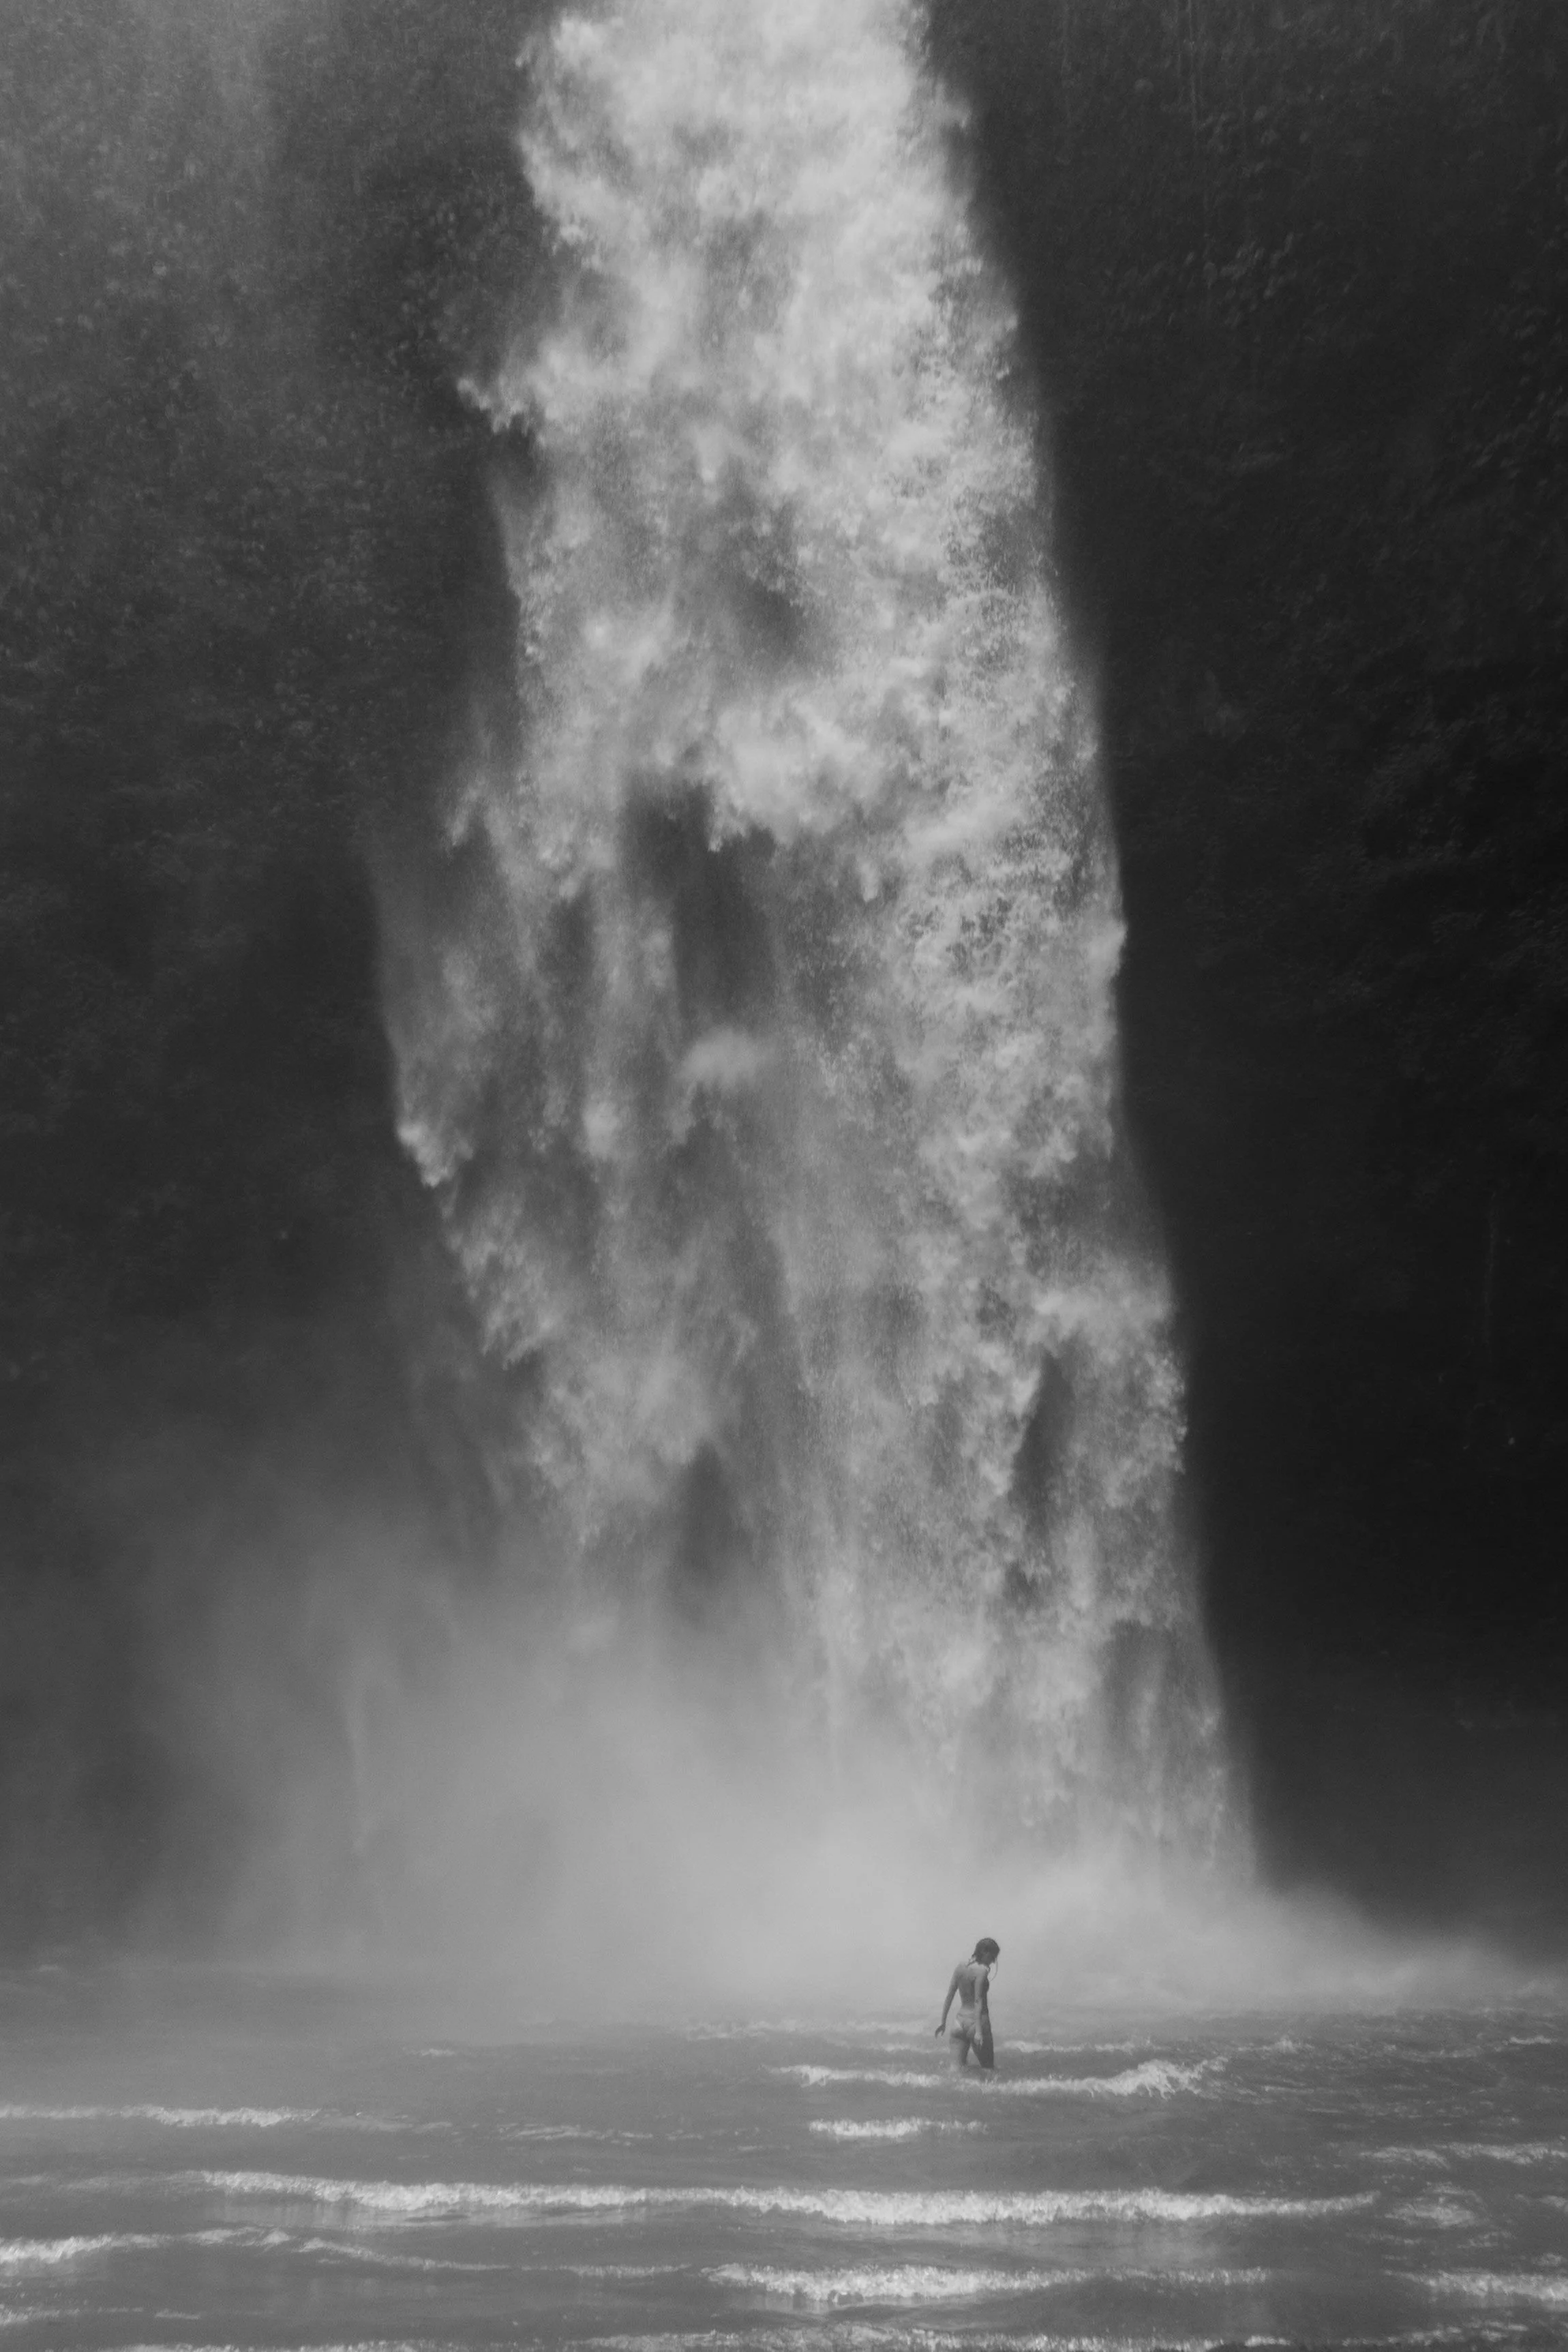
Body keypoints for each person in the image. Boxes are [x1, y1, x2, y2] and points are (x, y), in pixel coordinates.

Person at [936, 1937, 999, 2070]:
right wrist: (978, 2032)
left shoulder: (960, 1967)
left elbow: (950, 1995)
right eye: (992, 1957)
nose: (993, 1961)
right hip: (977, 2023)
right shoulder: (981, 1971)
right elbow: (978, 2000)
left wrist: (943, 2021)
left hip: (959, 2023)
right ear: (984, 1952)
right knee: (989, 2070)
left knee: (955, 2071)